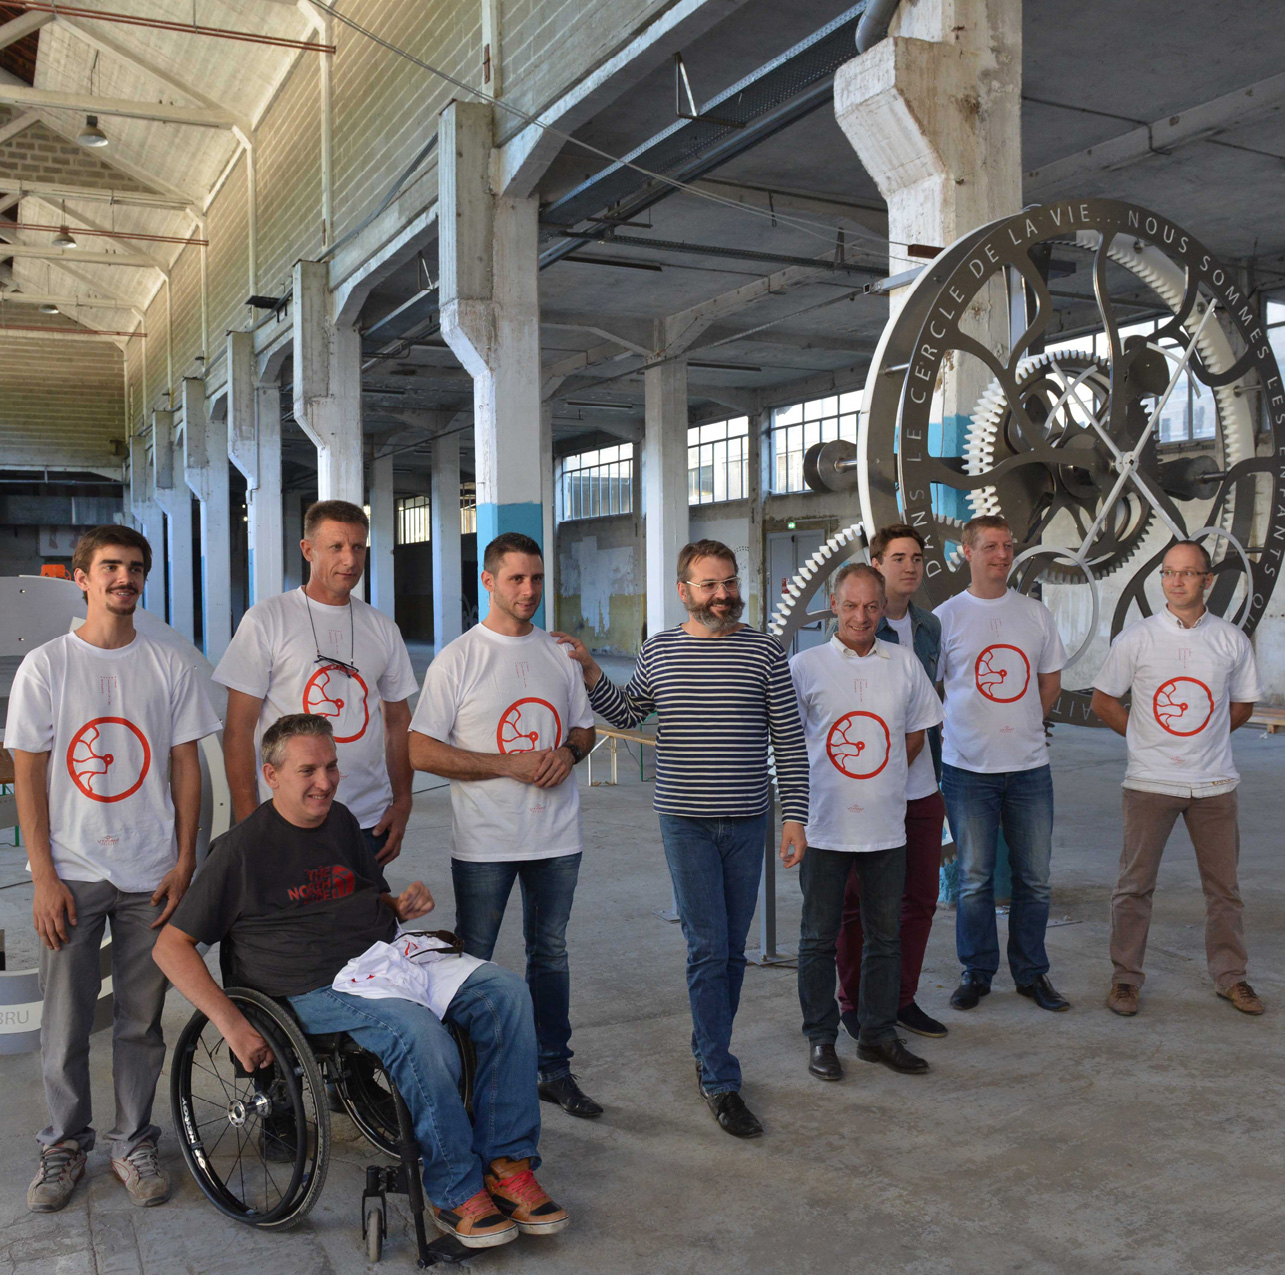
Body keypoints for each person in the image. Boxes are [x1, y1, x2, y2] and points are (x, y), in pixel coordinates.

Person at [154, 714, 567, 1249]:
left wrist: (398, 903)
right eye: (308, 770)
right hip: (311, 986)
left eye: (331, 767)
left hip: (383, 958)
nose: (323, 782)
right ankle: (454, 1189)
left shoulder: (342, 822)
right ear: (271, 775)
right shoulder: (240, 851)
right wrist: (231, 1024)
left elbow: (370, 894)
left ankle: (507, 1164)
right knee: (418, 1034)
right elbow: (171, 947)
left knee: (507, 994)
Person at [554, 539, 809, 1139]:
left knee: (732, 947)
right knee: (706, 945)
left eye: (729, 582)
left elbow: (790, 742)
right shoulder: (661, 650)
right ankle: (719, 1076)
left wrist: (794, 816)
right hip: (685, 822)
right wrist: (593, 672)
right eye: (708, 585)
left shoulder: (766, 652)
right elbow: (628, 711)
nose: (722, 594)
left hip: (747, 820)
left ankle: (708, 1042)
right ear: (683, 591)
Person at [5, 525, 220, 1212]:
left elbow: (187, 768)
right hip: (71, 871)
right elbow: (29, 775)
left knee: (141, 1018)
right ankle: (64, 1144)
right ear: (82, 577)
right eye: (110, 567)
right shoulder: (47, 666)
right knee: (64, 1024)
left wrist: (187, 859)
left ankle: (132, 1140)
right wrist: (43, 875)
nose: (123, 578)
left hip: (149, 871)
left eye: (134, 568)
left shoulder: (168, 667)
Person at [409, 533, 600, 1118]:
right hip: (486, 842)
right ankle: (467, 1071)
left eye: (537, 579)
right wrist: (505, 764)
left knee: (551, 952)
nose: (529, 591)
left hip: (556, 837)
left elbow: (585, 729)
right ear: (488, 581)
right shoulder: (459, 659)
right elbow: (420, 749)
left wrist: (567, 754)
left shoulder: (560, 654)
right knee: (475, 957)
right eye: (516, 579)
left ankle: (553, 1068)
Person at [1091, 541, 1264, 1017]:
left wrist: (1205, 737)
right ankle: (1125, 980)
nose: (1177, 581)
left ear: (1207, 581)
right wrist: (1144, 737)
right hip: (1150, 783)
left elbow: (1244, 705)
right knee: (1134, 886)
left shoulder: (1230, 640)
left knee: (1224, 890)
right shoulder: (1137, 639)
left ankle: (1232, 978)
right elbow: (1104, 700)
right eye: (1169, 572)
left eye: (1188, 573)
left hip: (1214, 785)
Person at [790, 564, 943, 1082]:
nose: (861, 616)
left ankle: (878, 1034)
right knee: (817, 938)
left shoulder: (903, 663)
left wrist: (878, 776)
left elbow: (918, 731)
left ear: (883, 609)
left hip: (886, 827)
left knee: (886, 936)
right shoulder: (805, 667)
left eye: (872, 607)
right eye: (851, 605)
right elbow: (788, 745)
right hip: (825, 826)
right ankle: (821, 1039)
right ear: (833, 605)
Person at [215, 499, 418, 863]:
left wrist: (402, 801)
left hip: (367, 822)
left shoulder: (382, 628)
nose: (350, 560)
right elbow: (238, 729)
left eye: (358, 547)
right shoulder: (267, 620)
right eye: (336, 547)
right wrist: (249, 822)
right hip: (286, 817)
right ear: (308, 550)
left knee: (361, 917)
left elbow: (398, 720)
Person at [934, 515, 1071, 1013]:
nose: (1002, 555)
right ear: (968, 553)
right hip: (968, 770)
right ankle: (977, 972)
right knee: (974, 877)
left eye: (1008, 545)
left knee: (1035, 877)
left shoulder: (1035, 614)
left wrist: (1022, 722)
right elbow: (933, 687)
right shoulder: (947, 616)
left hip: (1030, 768)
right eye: (991, 546)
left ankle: (1032, 974)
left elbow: (1049, 681)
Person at [835, 524, 948, 1040]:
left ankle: (900, 998)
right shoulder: (856, 629)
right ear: (875, 565)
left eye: (917, 558)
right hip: (869, 791)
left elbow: (927, 709)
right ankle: (854, 1000)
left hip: (922, 788)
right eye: (898, 557)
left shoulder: (929, 627)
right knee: (857, 903)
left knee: (920, 897)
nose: (910, 566)